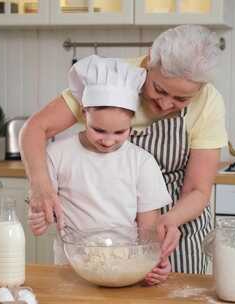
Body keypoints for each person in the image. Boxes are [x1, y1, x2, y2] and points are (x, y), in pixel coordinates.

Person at [20, 24, 227, 274]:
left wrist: (168, 220)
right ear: (149, 61)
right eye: (159, 89)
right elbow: (35, 128)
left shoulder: (208, 102)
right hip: (105, 234)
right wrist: (41, 186)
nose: (164, 104)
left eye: (181, 100)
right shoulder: (111, 79)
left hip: (176, 221)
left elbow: (197, 189)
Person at [27, 55, 176, 285]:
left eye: (119, 133)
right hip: (71, 268)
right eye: (98, 130)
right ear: (84, 112)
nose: (108, 141)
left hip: (124, 269)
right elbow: (47, 205)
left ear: (132, 123)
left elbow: (149, 230)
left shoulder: (142, 163)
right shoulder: (58, 155)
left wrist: (155, 262)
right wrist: (39, 217)